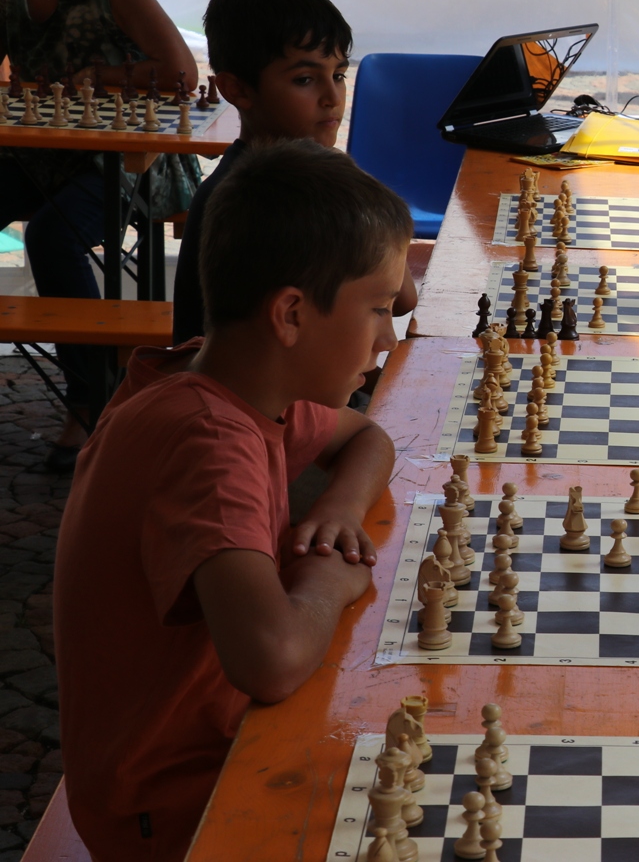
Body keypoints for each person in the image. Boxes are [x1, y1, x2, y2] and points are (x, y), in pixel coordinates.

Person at [54, 140, 410, 862]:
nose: (387, 337)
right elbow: (271, 659)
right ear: (291, 315)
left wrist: (340, 508)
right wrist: (326, 581)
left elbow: (369, 438)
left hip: (201, 749)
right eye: (377, 309)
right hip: (167, 803)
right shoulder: (209, 444)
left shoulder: (235, 384)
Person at [0, 0, 200, 470]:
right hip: (38, 151)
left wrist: (102, 76)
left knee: (53, 237)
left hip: (130, 159)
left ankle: (90, 401)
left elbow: (181, 73)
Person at [172, 0, 418, 346]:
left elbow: (398, 299)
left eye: (338, 75)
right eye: (304, 79)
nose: (332, 98)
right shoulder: (267, 196)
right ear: (237, 89)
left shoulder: (255, 182)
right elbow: (403, 299)